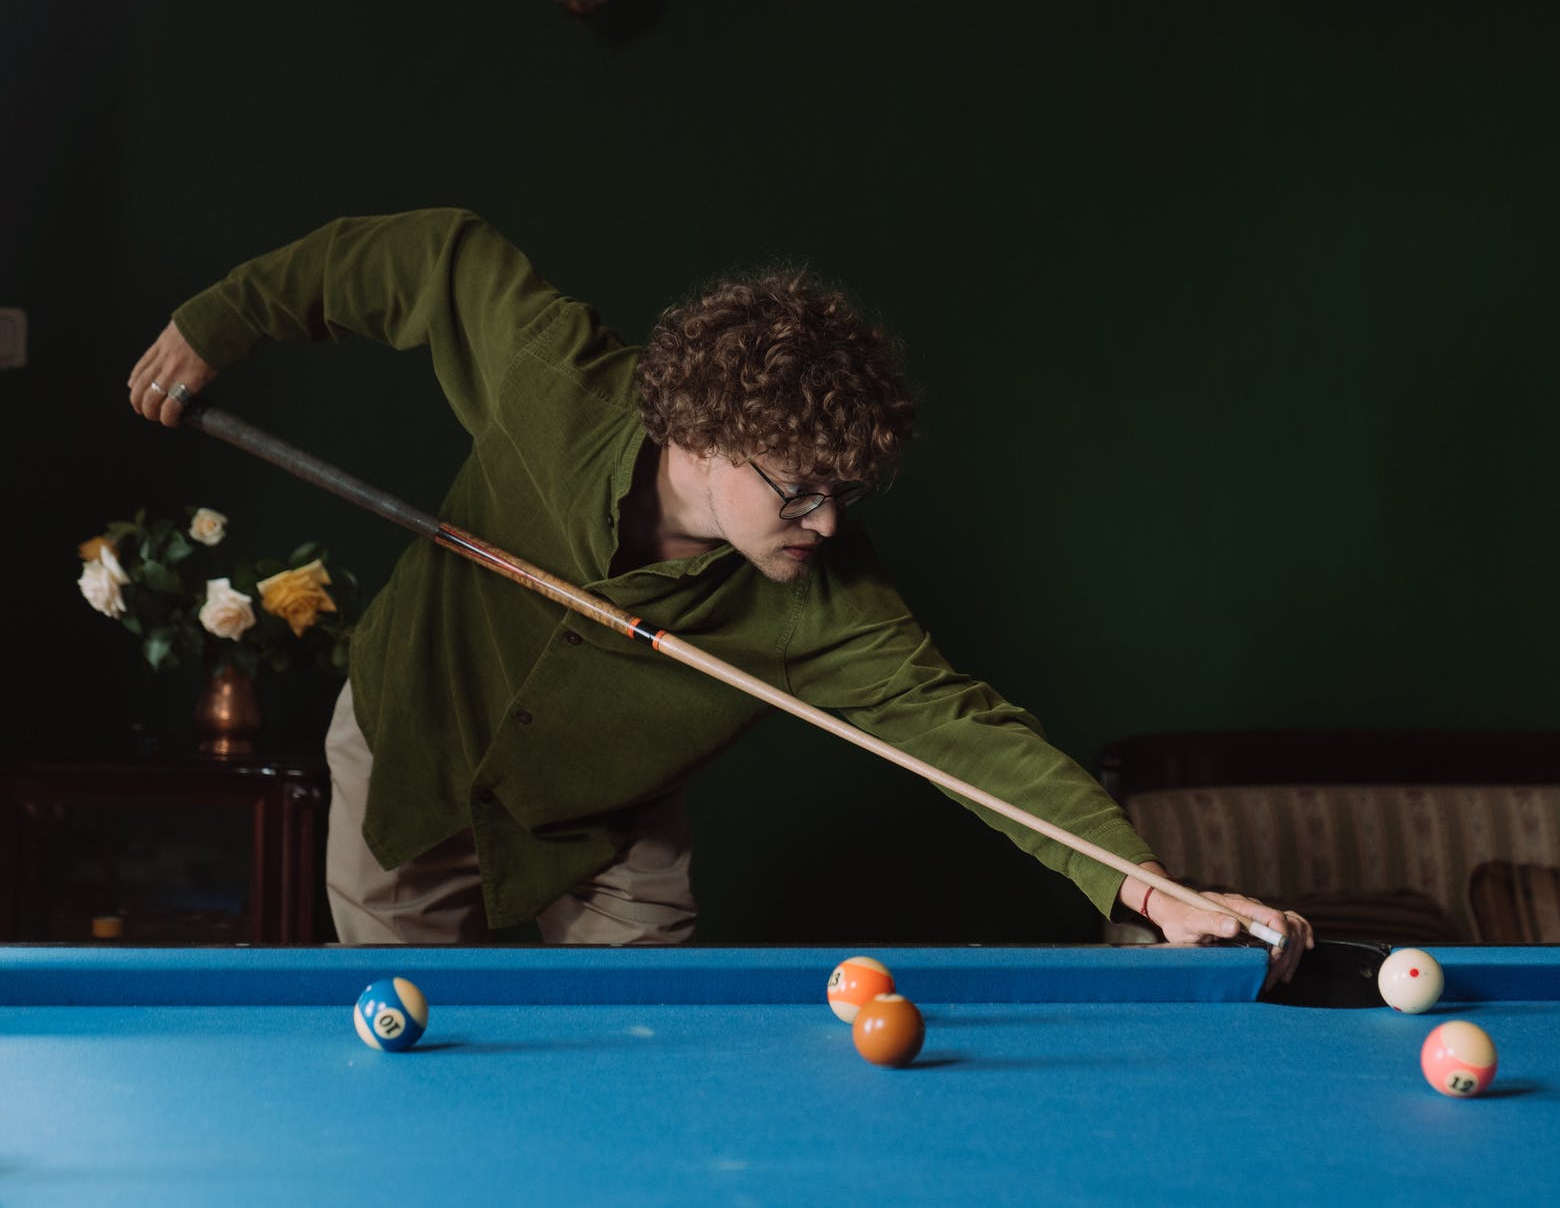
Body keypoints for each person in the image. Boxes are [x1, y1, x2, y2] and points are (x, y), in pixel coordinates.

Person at [126, 208, 1312, 983]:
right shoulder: (553, 382)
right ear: (699, 436)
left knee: (646, 1062)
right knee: (414, 1043)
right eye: (802, 490)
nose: (831, 521)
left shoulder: (826, 600)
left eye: (846, 489)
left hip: (610, 826)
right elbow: (428, 257)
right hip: (411, 752)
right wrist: (221, 318)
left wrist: (1146, 883)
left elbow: (966, 735)